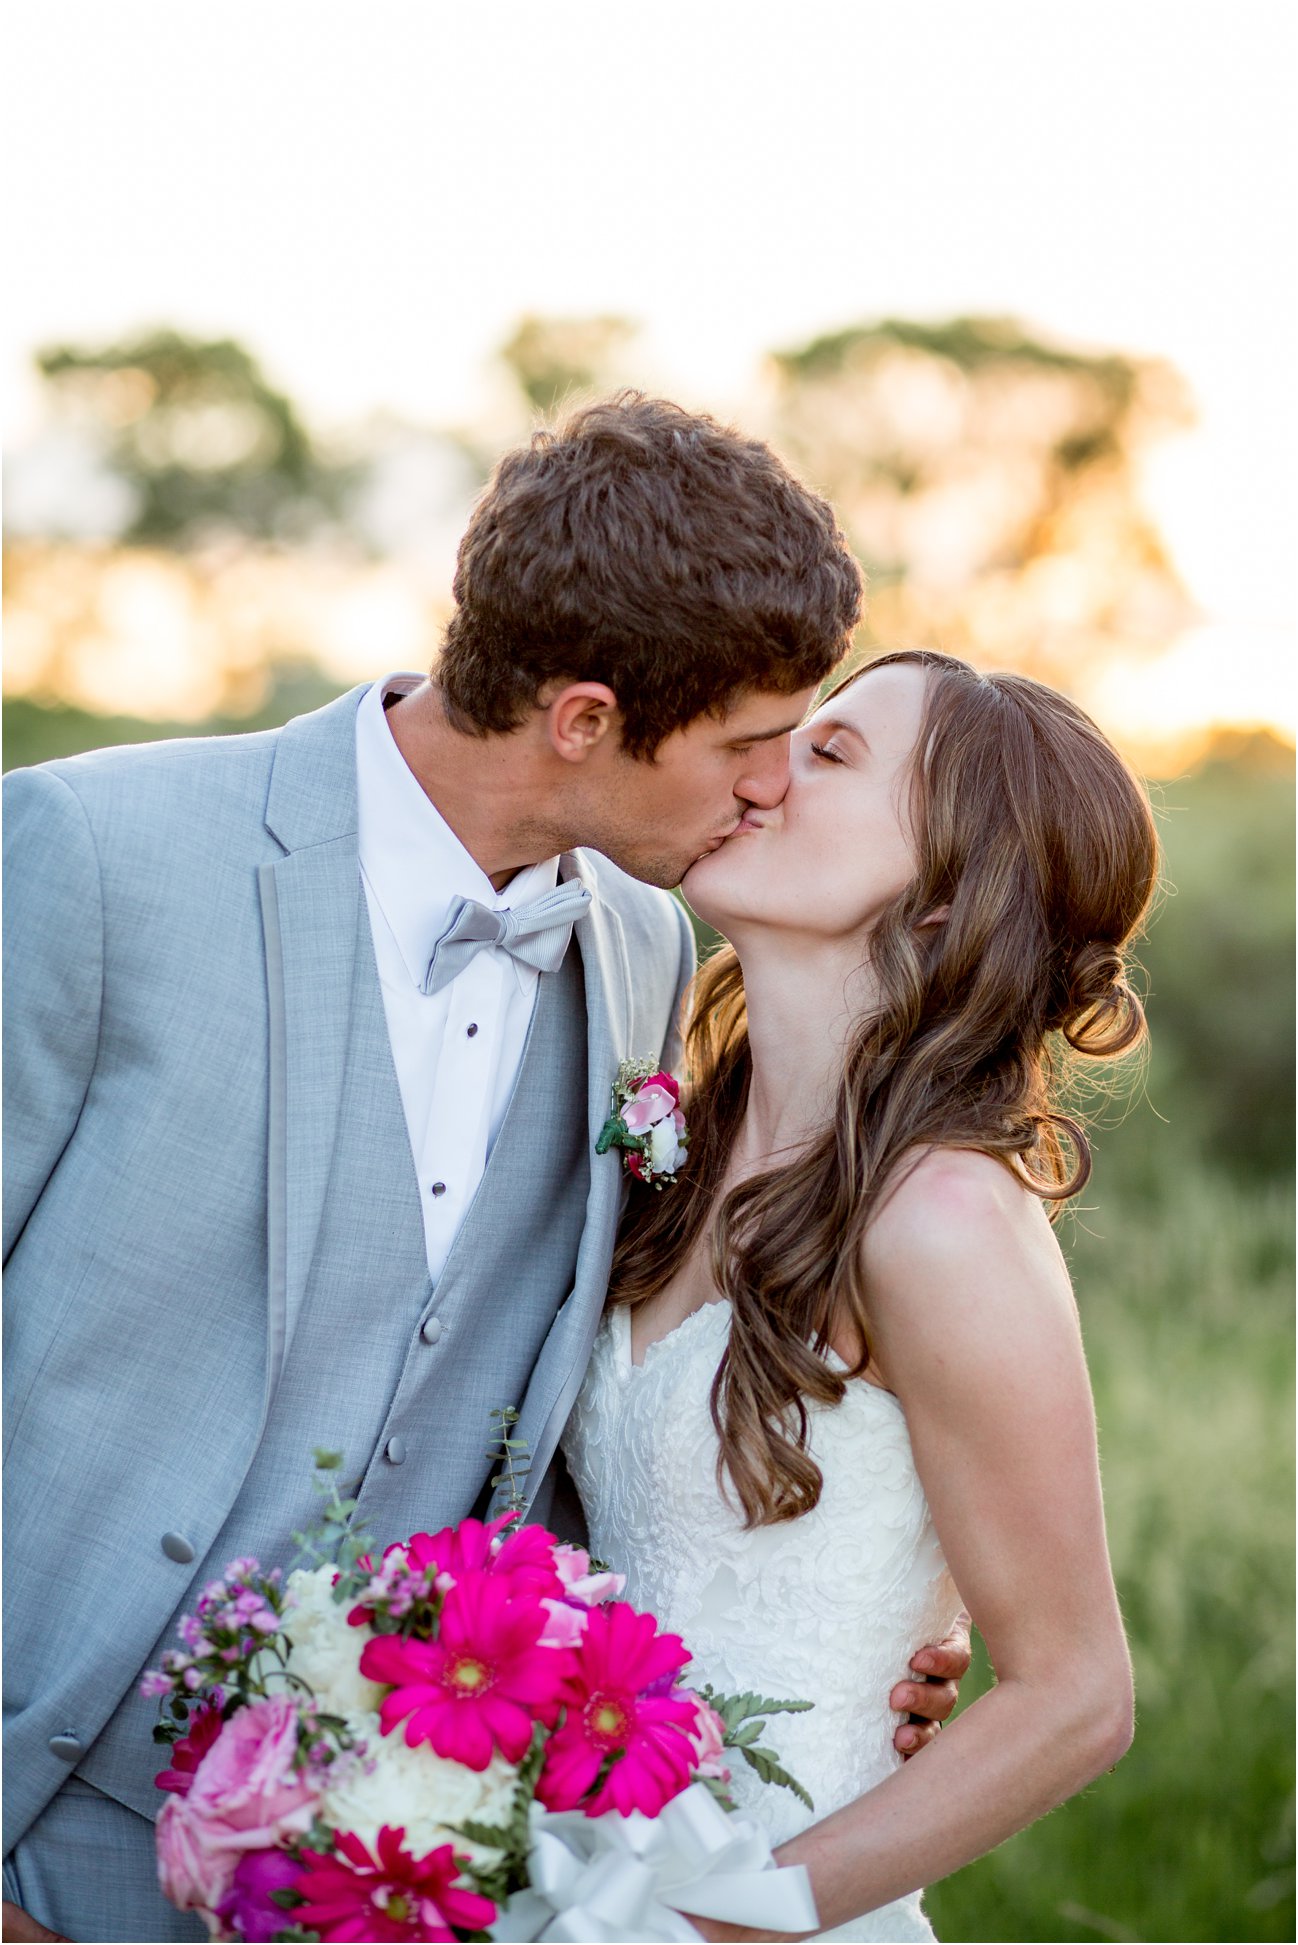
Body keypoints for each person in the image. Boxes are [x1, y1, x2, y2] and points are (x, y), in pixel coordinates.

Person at [2, 396, 969, 1945]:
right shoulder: (93, 858)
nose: (773, 784)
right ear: (584, 718)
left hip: (379, 1876)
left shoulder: (643, 946)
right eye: (743, 743)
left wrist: (891, 1621)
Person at [563, 649, 1155, 1940]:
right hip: (557, 1871)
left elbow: (1074, 1695)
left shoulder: (939, 1219)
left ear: (944, 894)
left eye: (827, 755)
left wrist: (722, 1920)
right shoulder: (673, 1136)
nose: (762, 772)